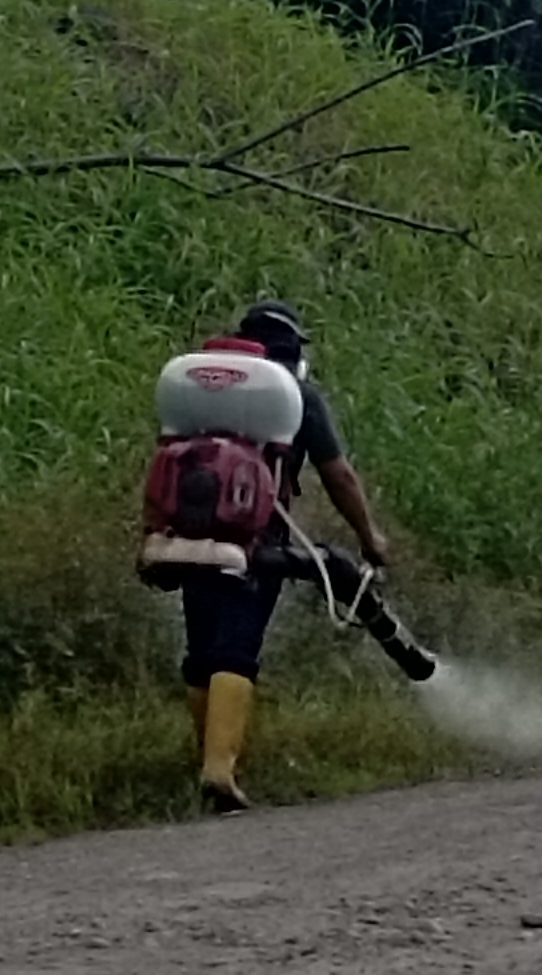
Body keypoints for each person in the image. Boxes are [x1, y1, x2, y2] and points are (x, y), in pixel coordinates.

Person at [174, 300, 436, 814]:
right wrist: (369, 537)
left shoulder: (201, 387)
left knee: (202, 651)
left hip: (188, 539)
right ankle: (218, 772)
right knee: (236, 650)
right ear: (294, 350)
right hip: (257, 544)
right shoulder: (295, 396)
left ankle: (208, 765)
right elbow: (339, 475)